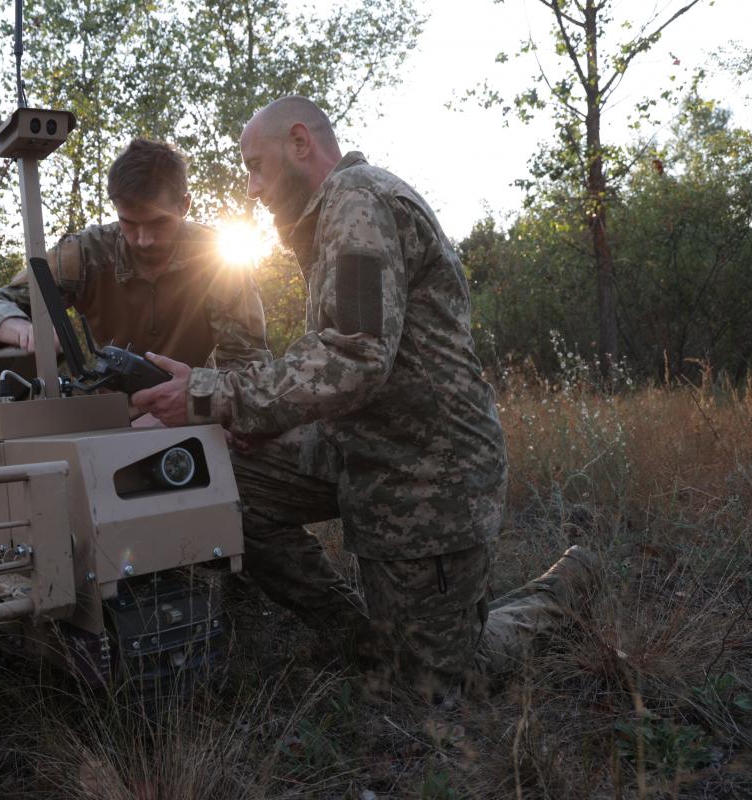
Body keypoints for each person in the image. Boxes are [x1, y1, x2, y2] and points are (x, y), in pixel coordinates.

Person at [132, 96, 599, 701]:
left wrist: (211, 393)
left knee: (441, 685)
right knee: (224, 477)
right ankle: (355, 631)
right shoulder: (329, 220)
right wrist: (251, 420)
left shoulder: (358, 199)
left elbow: (354, 359)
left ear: (300, 143)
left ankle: (569, 583)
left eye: (256, 166)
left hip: (428, 474)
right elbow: (339, 359)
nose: (250, 188)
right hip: (358, 449)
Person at [0, 138, 269, 375]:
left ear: (184, 205)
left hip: (192, 410)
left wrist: (202, 408)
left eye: (158, 223)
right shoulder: (87, 254)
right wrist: (24, 329)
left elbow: (247, 365)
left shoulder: (218, 260)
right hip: (109, 415)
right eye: (129, 223)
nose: (144, 240)